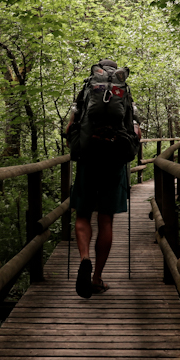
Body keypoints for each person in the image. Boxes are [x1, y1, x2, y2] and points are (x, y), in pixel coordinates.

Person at [65, 58, 141, 299]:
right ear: (116, 71)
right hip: (114, 162)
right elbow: (135, 131)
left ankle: (84, 258)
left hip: (89, 159)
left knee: (83, 215)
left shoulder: (87, 90)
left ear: (97, 70)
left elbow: (70, 128)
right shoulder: (125, 94)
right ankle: (97, 278)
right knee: (105, 220)